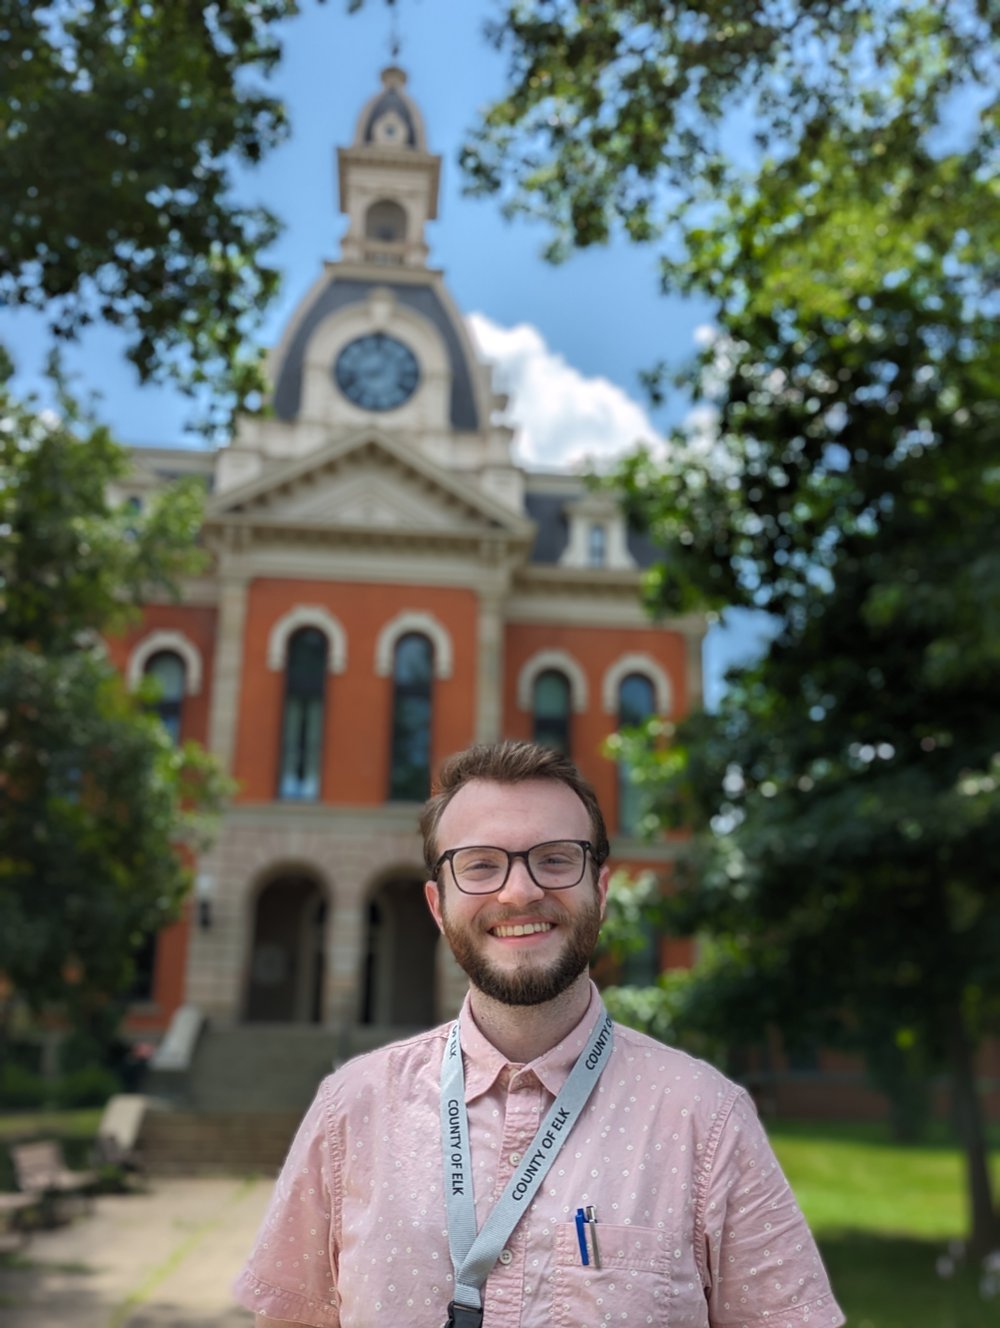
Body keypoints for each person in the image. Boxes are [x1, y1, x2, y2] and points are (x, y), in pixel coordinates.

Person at [234, 740, 844, 1328]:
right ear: (437, 907)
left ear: (600, 891)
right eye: (480, 865)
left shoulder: (707, 1121)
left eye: (555, 858)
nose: (520, 890)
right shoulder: (351, 1109)